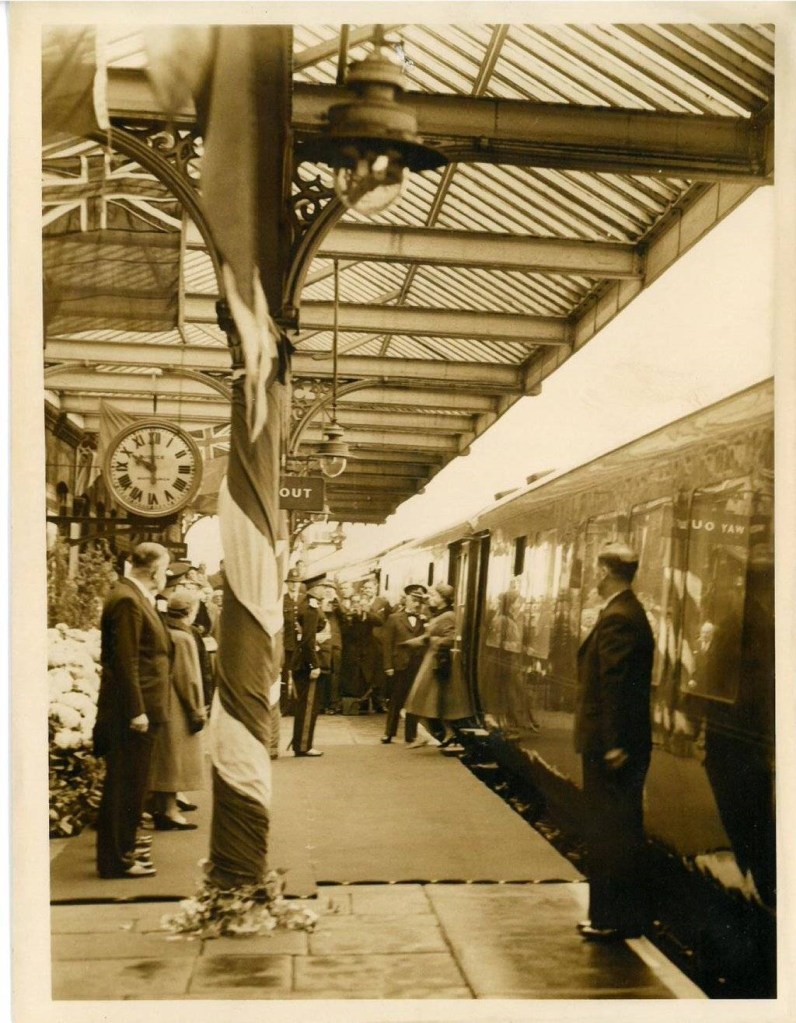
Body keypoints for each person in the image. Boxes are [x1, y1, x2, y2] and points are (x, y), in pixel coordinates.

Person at [573, 541, 654, 941]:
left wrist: (614, 743)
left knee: (609, 831)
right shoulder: (626, 611)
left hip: (611, 747)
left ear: (605, 572)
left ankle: (611, 919)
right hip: (616, 742)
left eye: (596, 569)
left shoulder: (618, 616)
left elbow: (615, 685)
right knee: (619, 828)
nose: (593, 576)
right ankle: (624, 916)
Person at [93, 542, 172, 878]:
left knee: (132, 783)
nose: (166, 575)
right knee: (126, 783)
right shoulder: (128, 600)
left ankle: (123, 849)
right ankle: (116, 859)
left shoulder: (132, 596)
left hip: (141, 707)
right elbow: (126, 661)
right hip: (134, 712)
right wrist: (136, 710)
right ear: (154, 570)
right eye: (165, 568)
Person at [148, 591, 207, 830]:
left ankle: (161, 808)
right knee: (175, 759)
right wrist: (196, 709)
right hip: (178, 704)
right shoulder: (184, 638)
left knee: (164, 758)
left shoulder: (162, 630)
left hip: (162, 698)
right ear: (190, 611)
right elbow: (188, 677)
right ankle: (170, 812)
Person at [403, 582, 469, 747]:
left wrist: (431, 640)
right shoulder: (440, 613)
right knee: (428, 701)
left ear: (443, 599)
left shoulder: (448, 616)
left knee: (426, 700)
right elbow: (429, 635)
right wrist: (410, 643)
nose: (430, 598)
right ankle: (445, 734)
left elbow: (451, 638)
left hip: (438, 663)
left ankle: (438, 734)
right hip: (432, 661)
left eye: (434, 596)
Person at [380, 584, 428, 744]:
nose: (416, 604)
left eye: (419, 601)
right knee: (396, 700)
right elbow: (387, 644)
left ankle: (411, 734)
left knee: (414, 700)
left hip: (418, 665)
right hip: (399, 665)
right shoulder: (394, 618)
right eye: (413, 600)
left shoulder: (424, 619)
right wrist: (388, 666)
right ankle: (389, 733)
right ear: (406, 600)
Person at [288, 581, 327, 756]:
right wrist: (314, 665)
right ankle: (303, 745)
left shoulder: (303, 607)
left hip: (300, 661)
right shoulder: (311, 610)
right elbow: (308, 641)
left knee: (304, 706)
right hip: (306, 663)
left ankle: (301, 744)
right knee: (308, 706)